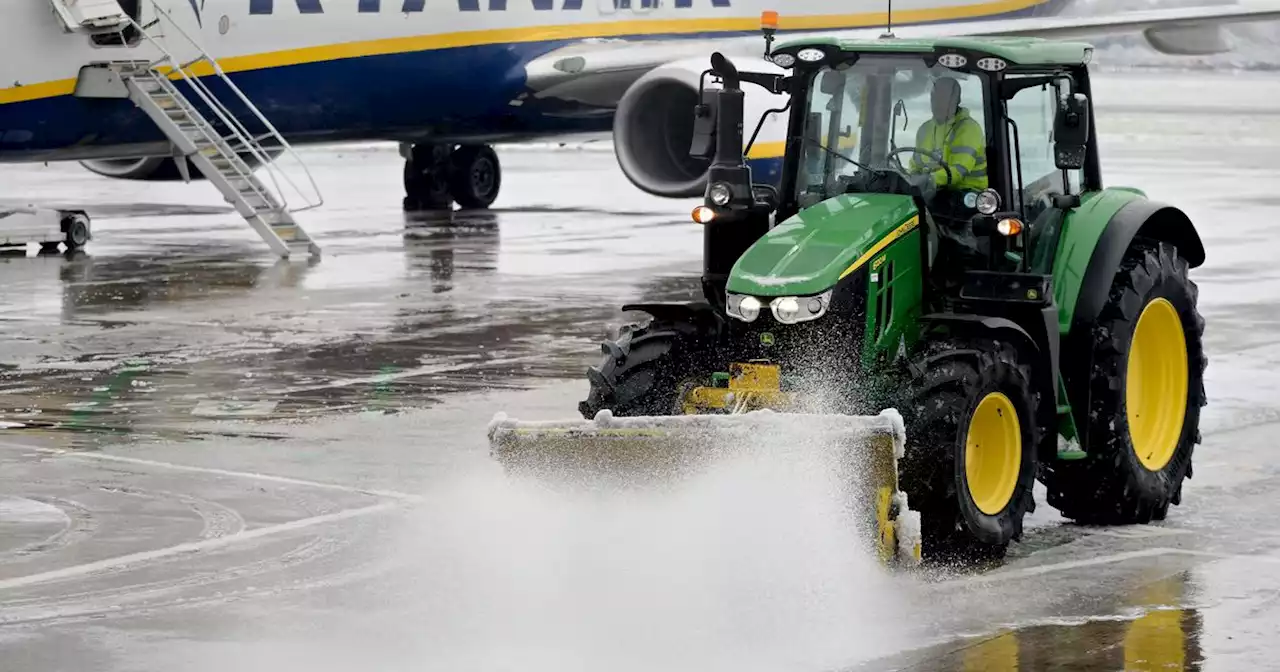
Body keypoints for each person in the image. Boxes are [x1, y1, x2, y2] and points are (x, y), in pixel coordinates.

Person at [909, 76, 989, 194]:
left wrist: (930, 179)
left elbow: (959, 170)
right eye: (934, 99)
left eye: (943, 99)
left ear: (956, 101)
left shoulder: (968, 129)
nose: (937, 104)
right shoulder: (925, 129)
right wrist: (911, 179)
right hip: (933, 191)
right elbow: (915, 166)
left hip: (968, 193)